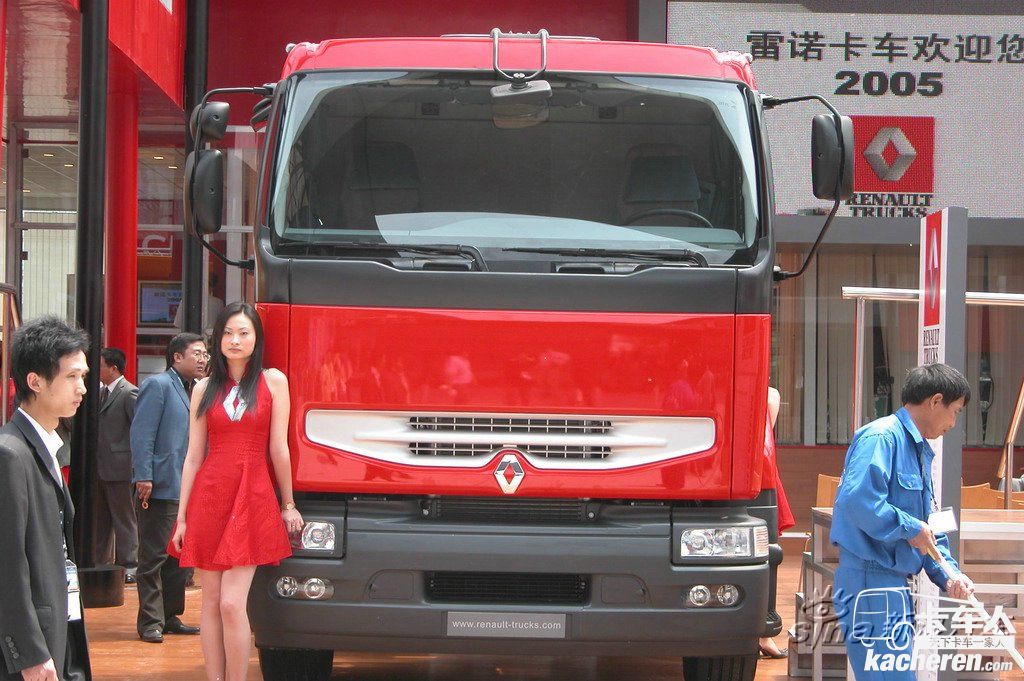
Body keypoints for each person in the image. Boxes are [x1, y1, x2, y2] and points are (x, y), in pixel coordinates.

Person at [171, 302, 301, 681]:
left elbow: (279, 448)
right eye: (227, 333)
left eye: (244, 332)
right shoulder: (203, 388)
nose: (235, 340)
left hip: (253, 495)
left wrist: (288, 503)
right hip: (209, 497)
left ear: (256, 338)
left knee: (231, 603)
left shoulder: (273, 381)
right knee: (210, 602)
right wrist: (182, 518)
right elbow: (193, 456)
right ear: (218, 338)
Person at [830, 364, 975, 680]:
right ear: (936, 401)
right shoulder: (881, 437)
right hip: (869, 579)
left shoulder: (918, 448)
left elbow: (929, 526)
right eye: (955, 412)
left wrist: (950, 575)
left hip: (890, 583)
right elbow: (857, 500)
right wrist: (910, 527)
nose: (953, 423)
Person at [0, 316, 92, 681]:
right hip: (30, 647)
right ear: (35, 381)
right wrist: (30, 653)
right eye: (71, 377)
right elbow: (8, 564)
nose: (81, 388)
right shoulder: (10, 454)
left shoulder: (47, 446)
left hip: (59, 620)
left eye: (83, 376)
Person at [130, 333, 207, 643]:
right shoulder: (158, 385)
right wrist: (143, 476)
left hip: (186, 487)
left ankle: (170, 615)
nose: (203, 359)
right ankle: (150, 621)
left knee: (178, 556)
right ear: (177, 357)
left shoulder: (195, 390)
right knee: (154, 556)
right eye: (197, 353)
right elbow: (142, 433)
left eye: (205, 354)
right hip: (159, 485)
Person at [93, 348, 139, 583]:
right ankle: (101, 563)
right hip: (101, 466)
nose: (97, 369)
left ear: (113, 368)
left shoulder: (129, 392)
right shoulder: (101, 393)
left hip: (121, 467)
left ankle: (129, 564)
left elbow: (139, 428)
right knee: (101, 519)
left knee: (124, 518)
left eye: (100, 365)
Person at [759, 386, 795, 659]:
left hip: (757, 478)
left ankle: (764, 633)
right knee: (767, 556)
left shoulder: (769, 394)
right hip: (759, 479)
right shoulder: (770, 395)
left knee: (767, 557)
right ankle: (763, 634)